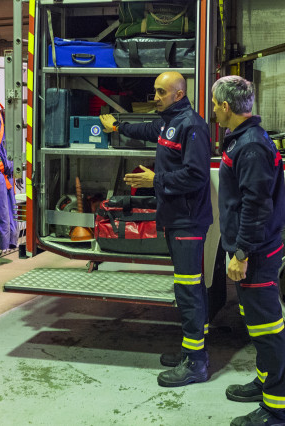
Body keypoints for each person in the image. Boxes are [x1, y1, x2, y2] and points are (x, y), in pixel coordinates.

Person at [100, 71, 213, 388]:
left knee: (189, 292)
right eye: (154, 91)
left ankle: (196, 364)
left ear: (179, 94)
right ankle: (191, 352)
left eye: (161, 92)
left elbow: (196, 176)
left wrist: (155, 180)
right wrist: (119, 125)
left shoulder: (192, 125)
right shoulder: (168, 121)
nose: (155, 97)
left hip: (188, 222)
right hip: (176, 219)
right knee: (185, 289)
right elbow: (147, 129)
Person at [213, 75, 285, 426]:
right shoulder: (242, 140)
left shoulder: (251, 146)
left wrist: (241, 253)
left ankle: (276, 411)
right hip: (251, 251)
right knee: (257, 325)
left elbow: (255, 207)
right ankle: (264, 384)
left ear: (227, 107)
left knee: (269, 329)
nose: (214, 111)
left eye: (216, 105)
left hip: (255, 255)